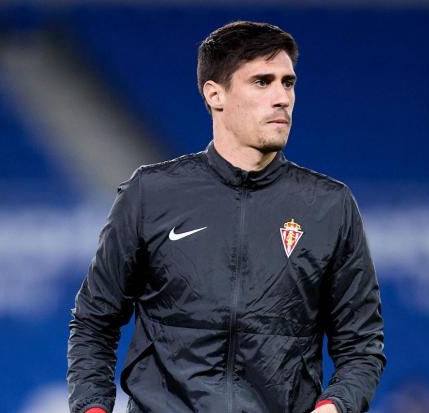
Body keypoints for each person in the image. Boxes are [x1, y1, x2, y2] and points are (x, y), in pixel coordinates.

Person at [67, 21, 385, 413]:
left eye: (287, 82)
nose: (282, 97)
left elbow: (362, 345)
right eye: (262, 82)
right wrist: (93, 408)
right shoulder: (150, 194)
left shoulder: (329, 206)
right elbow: (94, 323)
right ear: (215, 94)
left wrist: (335, 406)